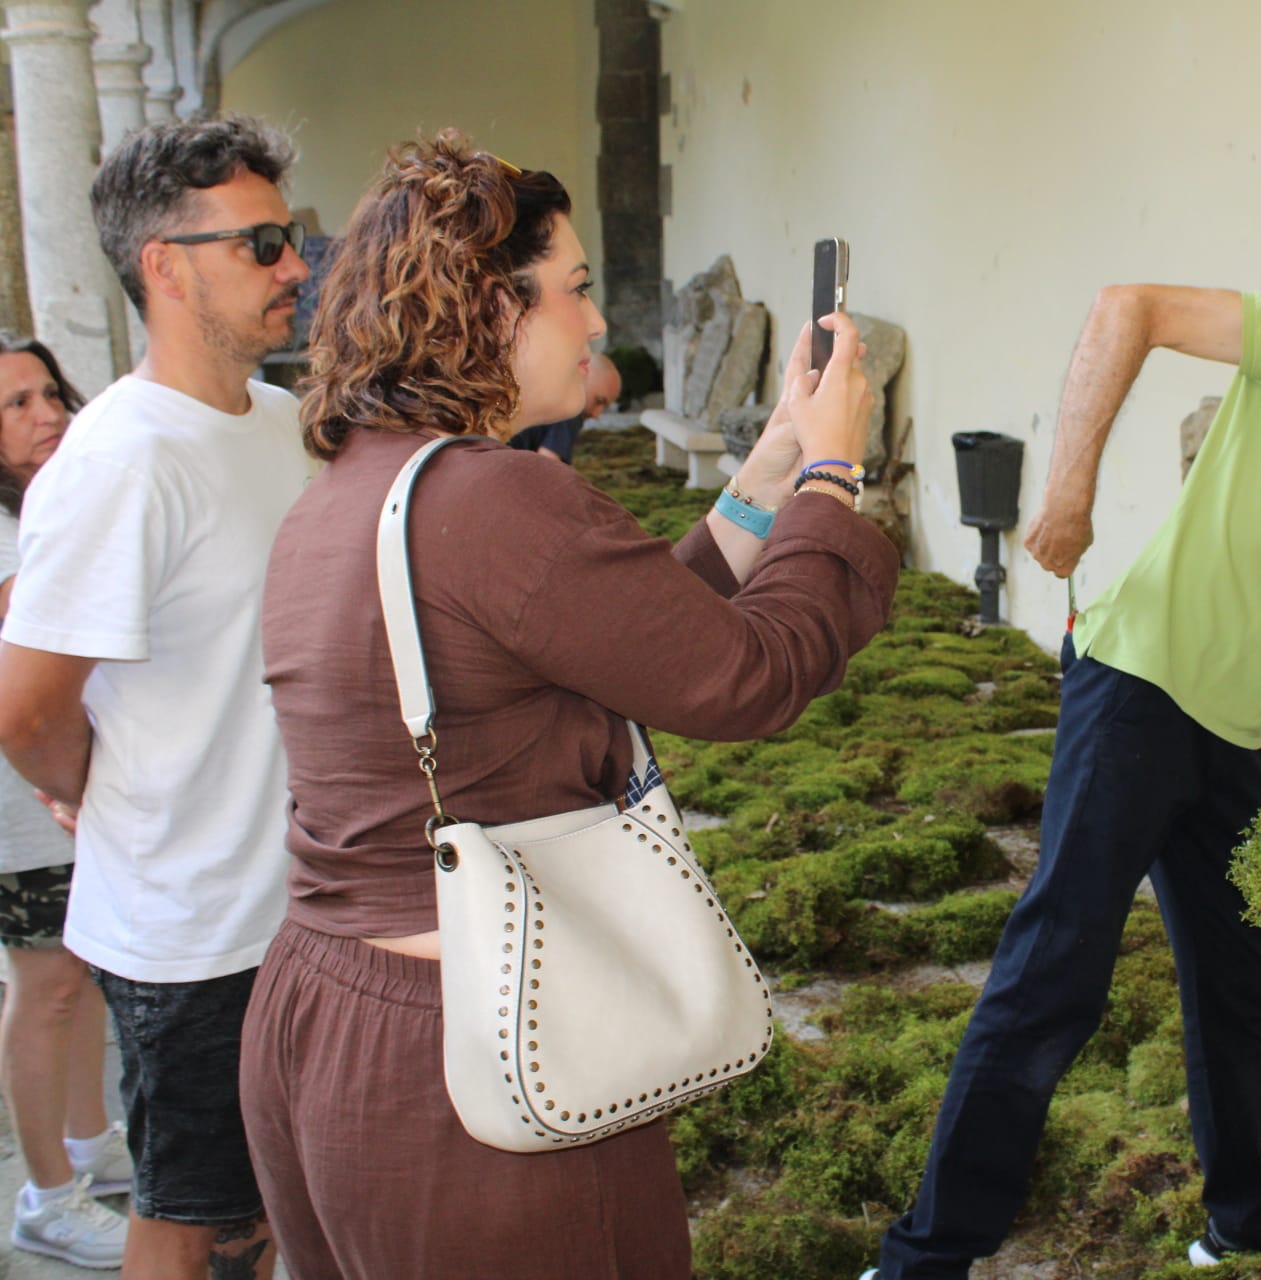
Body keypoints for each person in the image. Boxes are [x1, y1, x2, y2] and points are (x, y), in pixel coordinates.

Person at [238, 132, 898, 1279]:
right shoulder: (497, 497)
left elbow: (624, 630)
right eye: (575, 288)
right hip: (479, 1039)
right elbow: (752, 674)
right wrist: (835, 476)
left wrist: (773, 464)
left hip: (324, 1020)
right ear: (491, 305)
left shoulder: (356, 493)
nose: (596, 322)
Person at [864, 287, 1261, 1279]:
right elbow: (1125, 307)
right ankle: (922, 1261)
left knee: (1239, 978)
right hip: (1141, 683)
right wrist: (1069, 491)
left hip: (1230, 726)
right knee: (1055, 972)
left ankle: (1241, 1218)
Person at [0, 116, 313, 1280]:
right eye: (262, 242)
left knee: (267, 1214)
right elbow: (27, 707)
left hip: (300, 903)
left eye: (290, 235)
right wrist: (99, 788)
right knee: (194, 1228)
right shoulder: (118, 457)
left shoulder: (283, 423)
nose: (294, 264)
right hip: (190, 928)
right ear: (165, 266)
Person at [0, 335, 132, 1270]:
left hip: (59, 792)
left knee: (74, 973)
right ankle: (47, 1195)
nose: (46, 413)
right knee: (44, 987)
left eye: (49, 392)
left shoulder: (35, 504)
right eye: (16, 403)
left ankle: (90, 1146)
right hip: (22, 804)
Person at [508, 350, 621, 462]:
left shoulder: (547, 388)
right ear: (584, 374)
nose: (596, 414)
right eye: (599, 401)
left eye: (604, 407)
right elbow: (548, 462)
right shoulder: (570, 409)